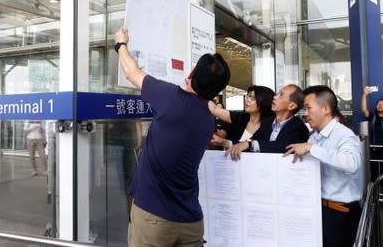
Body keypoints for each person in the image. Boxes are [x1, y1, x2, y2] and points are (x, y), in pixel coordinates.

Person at [114, 27, 230, 247]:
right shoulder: (207, 120)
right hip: (191, 222)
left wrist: (121, 44)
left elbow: (131, 72)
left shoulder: (171, 97)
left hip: (154, 219)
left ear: (191, 74)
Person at [284, 85, 363, 247]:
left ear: (325, 109)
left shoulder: (344, 135)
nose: (305, 114)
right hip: (317, 209)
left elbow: (352, 163)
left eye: (308, 108)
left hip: (340, 213)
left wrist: (311, 148)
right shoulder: (314, 137)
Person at [226, 84, 309, 161]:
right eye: (277, 93)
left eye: (281, 95)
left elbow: (281, 147)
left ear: (291, 106)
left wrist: (250, 144)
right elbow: (252, 141)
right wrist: (226, 142)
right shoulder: (267, 122)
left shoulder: (299, 128)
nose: (275, 97)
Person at [208, 85, 275, 150]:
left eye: (253, 98)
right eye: (248, 96)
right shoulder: (240, 118)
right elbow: (214, 110)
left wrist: (225, 142)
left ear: (264, 102)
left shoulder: (271, 125)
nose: (247, 100)